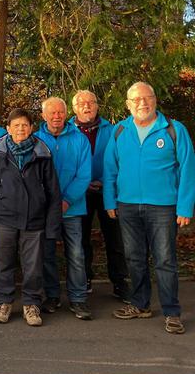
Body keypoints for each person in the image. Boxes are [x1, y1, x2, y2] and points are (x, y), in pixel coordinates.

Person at [103, 82, 195, 334]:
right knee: (134, 258)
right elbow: (110, 168)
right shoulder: (120, 130)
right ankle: (140, 305)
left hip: (163, 207)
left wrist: (185, 206)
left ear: (155, 100)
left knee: (165, 260)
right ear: (128, 104)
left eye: (148, 98)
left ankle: (172, 312)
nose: (143, 103)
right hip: (128, 206)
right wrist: (110, 201)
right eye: (137, 99)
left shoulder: (174, 130)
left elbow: (188, 169)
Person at [0, 108, 62, 327]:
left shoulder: (42, 152)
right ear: (8, 128)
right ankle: (4, 302)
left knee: (33, 265)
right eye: (16, 125)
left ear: (31, 128)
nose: (20, 129)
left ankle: (31, 304)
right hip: (4, 218)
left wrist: (53, 226)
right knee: (3, 262)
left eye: (24, 125)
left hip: (35, 220)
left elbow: (53, 191)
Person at [35, 97, 93, 320]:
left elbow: (84, 174)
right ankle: (52, 295)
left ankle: (78, 299)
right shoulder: (36, 140)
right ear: (44, 115)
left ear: (66, 113)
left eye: (60, 112)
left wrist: (67, 200)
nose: (57, 116)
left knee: (76, 254)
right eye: (52, 112)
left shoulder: (79, 140)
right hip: (45, 209)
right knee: (47, 254)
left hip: (73, 208)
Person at [70, 90, 130, 301]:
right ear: (74, 108)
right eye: (81, 103)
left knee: (114, 239)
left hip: (108, 191)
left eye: (91, 103)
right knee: (81, 239)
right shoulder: (68, 130)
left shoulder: (112, 130)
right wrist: (83, 183)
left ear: (97, 106)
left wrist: (105, 181)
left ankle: (120, 282)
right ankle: (84, 278)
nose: (86, 106)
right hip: (80, 193)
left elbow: (120, 160)